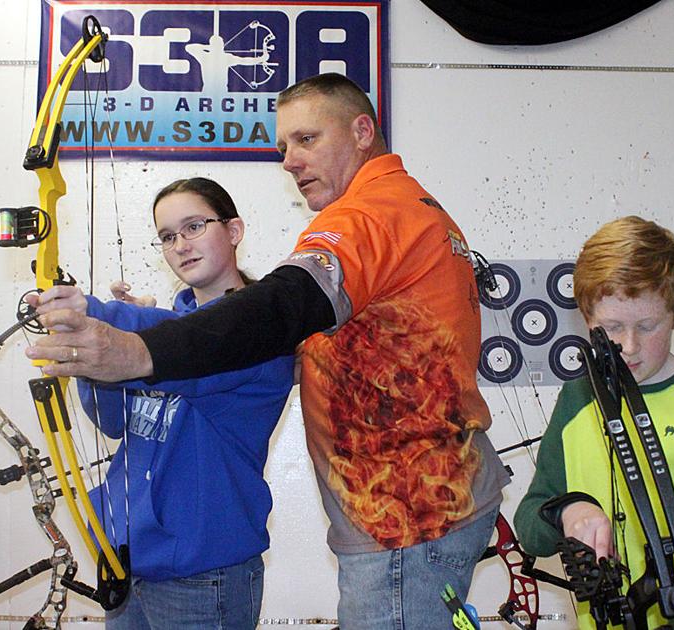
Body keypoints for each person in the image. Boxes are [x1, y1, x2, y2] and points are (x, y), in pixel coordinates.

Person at [26, 73, 509, 628]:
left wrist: (130, 342)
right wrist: (121, 335)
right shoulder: (405, 208)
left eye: (307, 139)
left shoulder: (371, 214)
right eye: (283, 146)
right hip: (410, 504)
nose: (289, 161)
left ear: (361, 131)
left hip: (409, 509)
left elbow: (278, 308)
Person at [50, 178, 295, 628]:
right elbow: (112, 422)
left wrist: (101, 316)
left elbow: (200, 345)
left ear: (234, 230)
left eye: (194, 226)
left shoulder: (261, 335)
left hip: (202, 574)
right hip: (129, 561)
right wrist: (99, 356)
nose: (180, 245)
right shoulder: (164, 332)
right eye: (167, 236)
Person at [513, 216, 674, 629]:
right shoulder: (578, 398)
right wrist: (569, 510)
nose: (629, 346)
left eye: (648, 326)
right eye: (612, 327)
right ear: (587, 318)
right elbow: (530, 524)